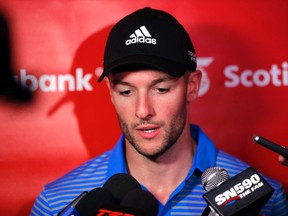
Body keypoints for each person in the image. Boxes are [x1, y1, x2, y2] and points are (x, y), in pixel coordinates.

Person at [31, 7, 288, 216]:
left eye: (161, 89)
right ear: (110, 91)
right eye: (126, 92)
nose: (143, 111)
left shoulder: (265, 199)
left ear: (192, 87)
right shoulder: (56, 204)